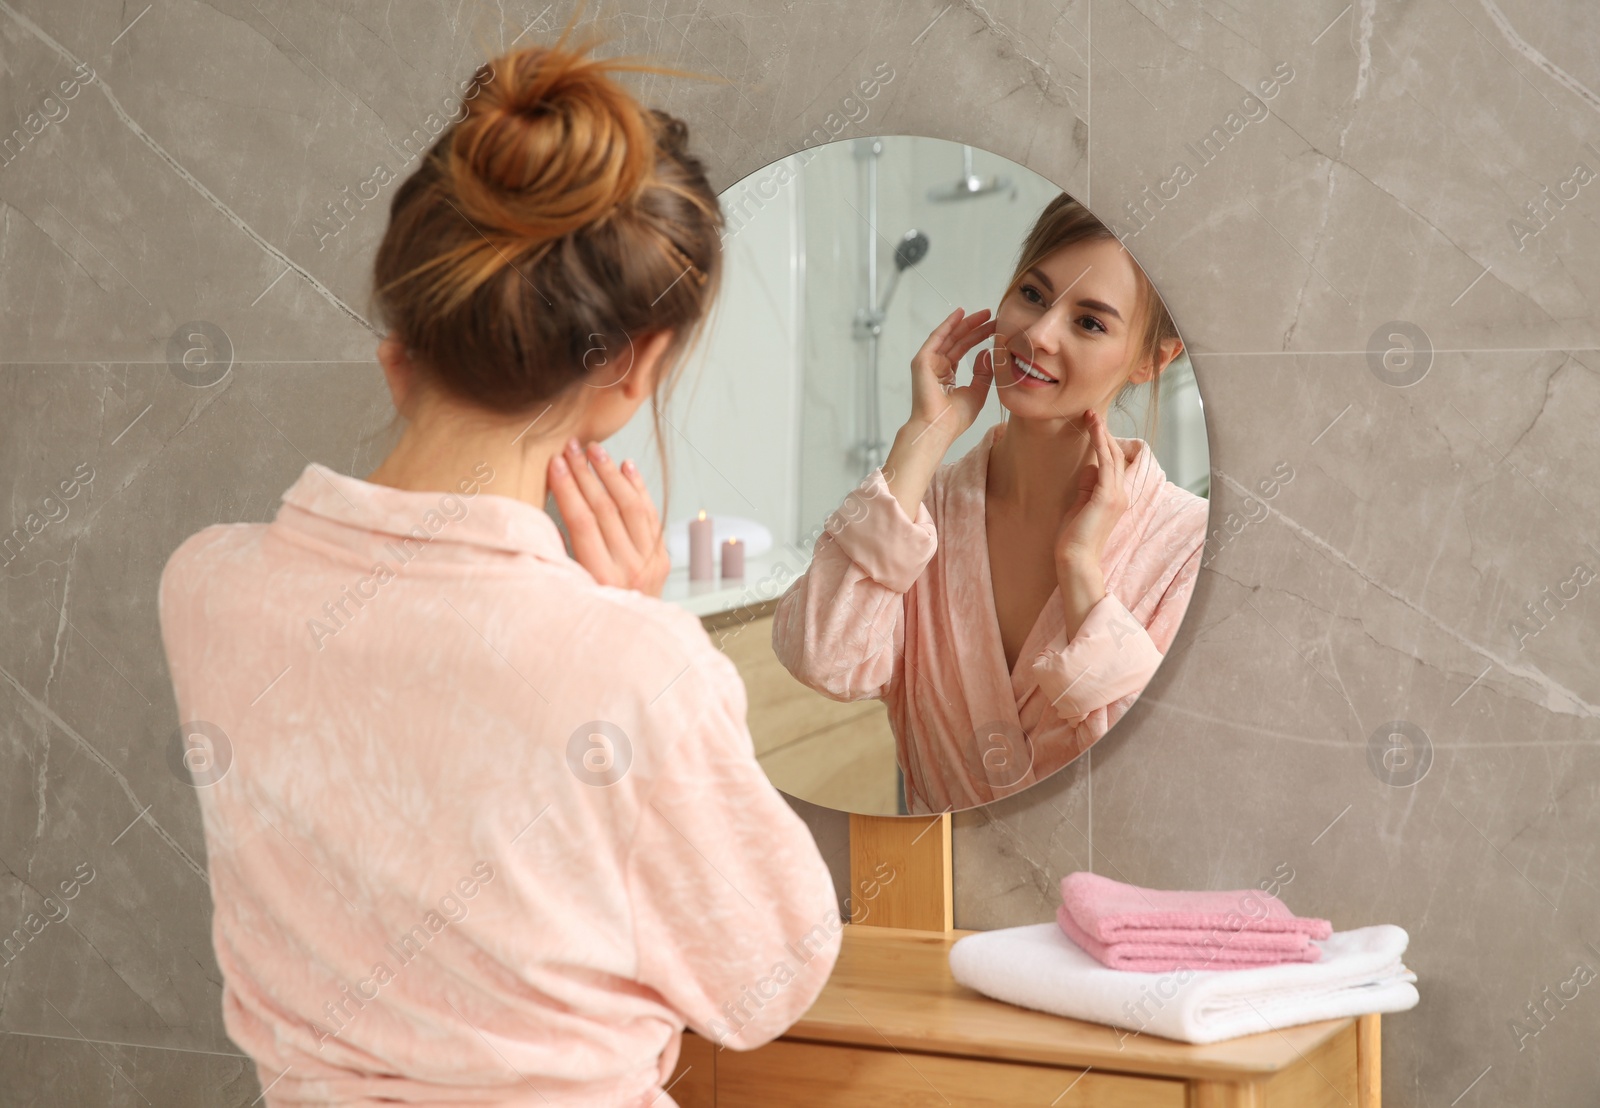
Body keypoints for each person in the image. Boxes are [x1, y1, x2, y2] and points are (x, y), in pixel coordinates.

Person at [157, 26, 840, 1108]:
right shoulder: (627, 665)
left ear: (403, 343)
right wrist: (640, 631)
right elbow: (764, 985)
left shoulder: (205, 588)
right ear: (633, 369)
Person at [772, 194, 1209, 815]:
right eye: (1033, 294)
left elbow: (1159, 791)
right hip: (926, 903)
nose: (1037, 334)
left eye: (1089, 322)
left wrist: (1082, 572)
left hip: (1093, 911)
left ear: (1149, 360)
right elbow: (822, 658)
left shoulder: (1188, 547)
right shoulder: (920, 509)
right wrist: (920, 442)